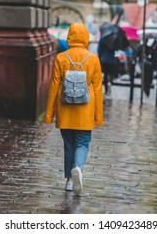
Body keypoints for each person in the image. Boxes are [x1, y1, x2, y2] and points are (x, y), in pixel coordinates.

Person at [44, 23, 103, 195]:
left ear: (70, 36)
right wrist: (97, 116)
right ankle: (77, 168)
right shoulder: (93, 59)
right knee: (83, 142)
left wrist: (49, 115)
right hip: (85, 109)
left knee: (69, 144)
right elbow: (98, 89)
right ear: (85, 37)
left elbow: (54, 87)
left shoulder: (61, 58)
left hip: (65, 108)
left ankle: (69, 181)